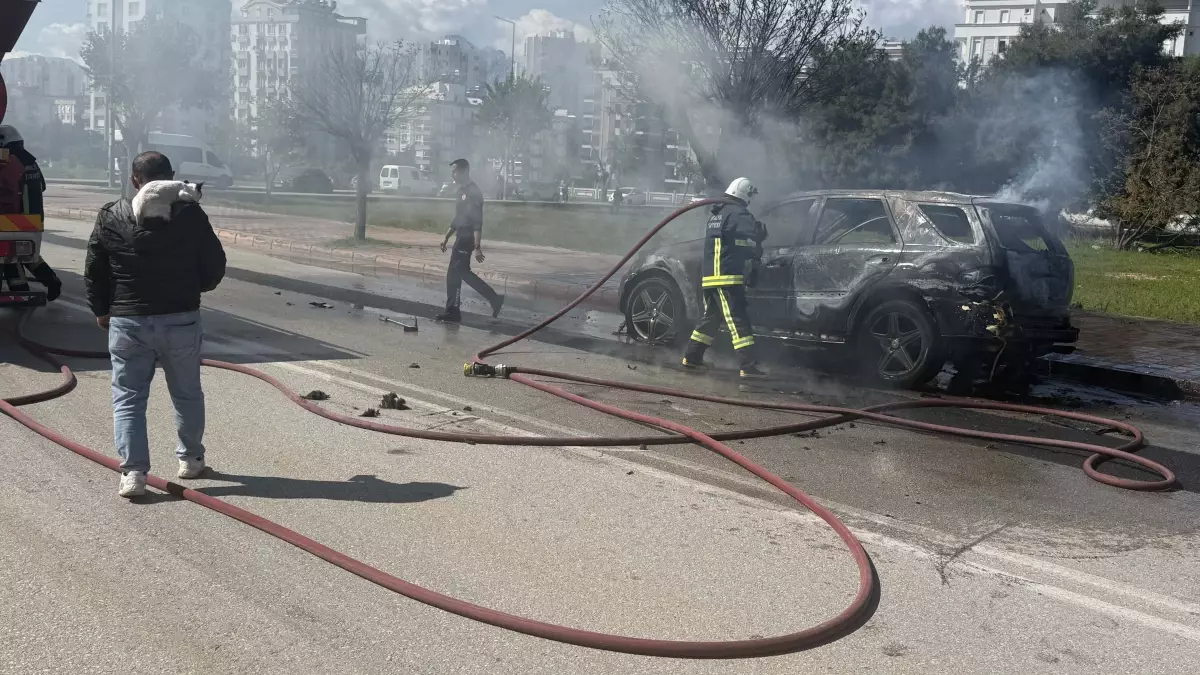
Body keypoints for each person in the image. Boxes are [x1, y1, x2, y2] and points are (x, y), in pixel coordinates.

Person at [84, 151, 227, 498]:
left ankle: (133, 474)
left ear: (135, 180)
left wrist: (102, 310)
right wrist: (197, 288)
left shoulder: (111, 215)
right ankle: (191, 460)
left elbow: (94, 268)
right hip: (180, 319)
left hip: (128, 322)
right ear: (172, 177)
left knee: (129, 399)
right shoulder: (191, 215)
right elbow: (214, 264)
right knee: (187, 392)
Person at [682, 177, 769, 380]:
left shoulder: (718, 214)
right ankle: (748, 366)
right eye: (750, 196)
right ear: (745, 194)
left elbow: (732, 243)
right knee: (738, 319)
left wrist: (748, 252)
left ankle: (692, 357)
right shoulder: (738, 213)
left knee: (711, 318)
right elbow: (754, 231)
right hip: (726, 278)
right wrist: (761, 233)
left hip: (711, 277)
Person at [437, 158, 503, 322]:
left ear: (464, 171)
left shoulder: (474, 192)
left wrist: (477, 246)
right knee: (456, 273)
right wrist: (446, 237)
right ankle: (454, 310)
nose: (452, 175)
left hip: (467, 239)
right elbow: (459, 217)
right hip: (461, 236)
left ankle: (491, 299)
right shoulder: (462, 191)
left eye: (455, 171)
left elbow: (477, 221)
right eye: (452, 171)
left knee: (460, 273)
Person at [0, 125, 61, 301]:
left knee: (13, 255)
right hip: (33, 218)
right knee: (26, 255)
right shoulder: (29, 160)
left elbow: (7, 191)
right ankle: (46, 282)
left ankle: (24, 289)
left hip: (12, 217)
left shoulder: (9, 162)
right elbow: (42, 186)